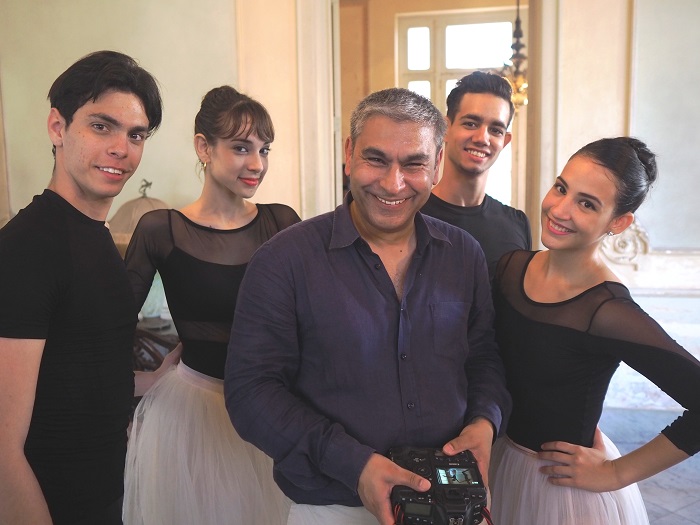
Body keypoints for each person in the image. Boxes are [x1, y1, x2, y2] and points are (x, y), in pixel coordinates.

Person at [225, 87, 511, 525]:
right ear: (349, 154)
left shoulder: (463, 254)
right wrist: (354, 463)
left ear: (436, 166)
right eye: (376, 159)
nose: (393, 183)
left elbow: (483, 356)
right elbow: (251, 393)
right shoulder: (284, 260)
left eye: (414, 163)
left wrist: (485, 422)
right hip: (331, 504)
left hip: (449, 503)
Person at [488, 137, 700, 525]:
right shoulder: (509, 268)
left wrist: (615, 473)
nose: (560, 209)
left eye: (587, 204)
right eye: (561, 187)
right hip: (497, 464)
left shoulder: (608, 311)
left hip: (561, 491)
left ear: (618, 222)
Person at [123, 85, 301, 525]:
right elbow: (108, 324)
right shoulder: (159, 229)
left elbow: (315, 321)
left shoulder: (282, 223)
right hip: (191, 416)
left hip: (269, 414)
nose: (257, 164)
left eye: (264, 149)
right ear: (204, 147)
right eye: (241, 148)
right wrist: (142, 381)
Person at [0, 50, 163, 525]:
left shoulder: (96, 238)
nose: (121, 149)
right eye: (100, 126)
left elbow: (72, 379)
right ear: (57, 127)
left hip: (106, 497)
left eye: (136, 135)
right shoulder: (28, 247)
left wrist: (160, 382)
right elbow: (3, 447)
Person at [421, 71, 531, 277]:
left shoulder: (517, 224)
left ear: (505, 141)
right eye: (471, 123)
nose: (482, 138)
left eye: (495, 130)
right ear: (444, 129)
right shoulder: (412, 216)